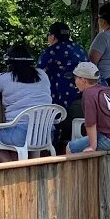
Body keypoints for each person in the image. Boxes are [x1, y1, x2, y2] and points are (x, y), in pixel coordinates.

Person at [0, 44, 53, 162]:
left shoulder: (6, 79)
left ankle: (16, 170)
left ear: (10, 63)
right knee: (17, 145)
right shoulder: (42, 75)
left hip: (21, 135)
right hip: (45, 134)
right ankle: (23, 167)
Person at [38, 21, 88, 152]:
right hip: (86, 99)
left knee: (56, 129)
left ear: (52, 37)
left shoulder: (51, 52)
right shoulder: (80, 49)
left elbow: (38, 73)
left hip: (63, 102)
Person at [65, 62, 110, 153]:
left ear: (83, 80)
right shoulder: (107, 89)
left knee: (70, 148)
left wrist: (92, 146)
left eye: (75, 78)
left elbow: (91, 123)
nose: (74, 82)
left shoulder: (88, 94)